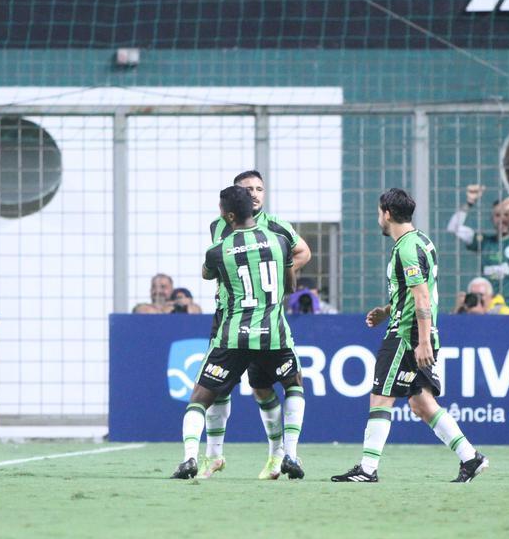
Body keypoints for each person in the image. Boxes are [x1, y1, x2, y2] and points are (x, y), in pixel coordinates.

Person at [333, 188, 488, 483]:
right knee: (420, 403)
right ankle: (471, 458)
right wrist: (386, 310)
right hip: (415, 330)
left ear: (387, 214)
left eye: (379, 213)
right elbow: (413, 292)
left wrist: (423, 340)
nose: (378, 218)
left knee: (381, 398)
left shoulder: (406, 248)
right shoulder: (422, 242)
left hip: (406, 336)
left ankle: (367, 468)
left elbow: (421, 297)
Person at [171, 185, 306, 481]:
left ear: (229, 215)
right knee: (293, 385)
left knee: (199, 398)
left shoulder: (218, 250)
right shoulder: (279, 240)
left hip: (233, 335)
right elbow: (292, 286)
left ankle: (190, 458)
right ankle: (291, 454)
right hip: (273, 334)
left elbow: (208, 275)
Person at [205, 170, 312, 479]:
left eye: (259, 189)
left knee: (262, 388)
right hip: (228, 314)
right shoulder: (218, 226)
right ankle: (213, 455)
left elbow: (303, 251)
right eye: (247, 189)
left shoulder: (277, 226)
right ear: (235, 196)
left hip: (265, 316)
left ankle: (279, 455)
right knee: (219, 388)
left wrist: (275, 278)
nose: (254, 194)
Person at [446, 183, 509, 312]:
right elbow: (453, 228)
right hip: (487, 311)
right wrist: (469, 203)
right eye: (497, 215)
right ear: (492, 218)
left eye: (506, 214)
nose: (502, 219)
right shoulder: (484, 242)